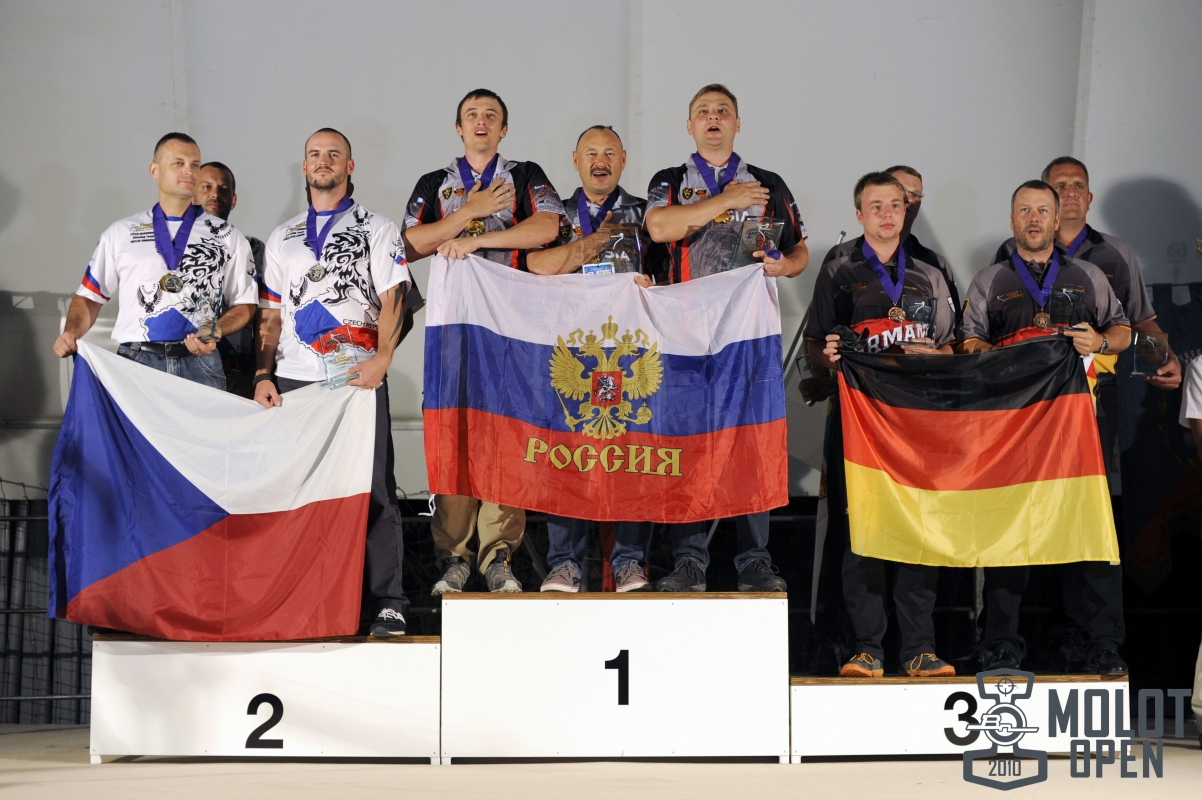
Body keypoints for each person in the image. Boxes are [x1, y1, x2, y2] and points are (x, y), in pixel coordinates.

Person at [959, 180, 1131, 673]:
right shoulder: (990, 279)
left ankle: (1102, 642)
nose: (1033, 219)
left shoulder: (1088, 275)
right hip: (1013, 424)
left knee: (1090, 527)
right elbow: (968, 342)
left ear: (1057, 220)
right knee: (1008, 526)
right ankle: (1001, 641)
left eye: (1042, 211)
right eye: (1024, 211)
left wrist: (1099, 341)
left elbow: (1122, 331)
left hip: (1078, 424)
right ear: (1012, 219)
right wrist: (996, 355)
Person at [644, 83, 808, 593]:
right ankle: (688, 561)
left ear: (738, 124)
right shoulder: (671, 180)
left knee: (751, 442)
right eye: (703, 112)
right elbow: (659, 228)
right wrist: (727, 201)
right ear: (689, 126)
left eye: (723, 111)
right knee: (688, 443)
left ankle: (754, 560)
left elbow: (798, 251)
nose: (713, 118)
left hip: (747, 335)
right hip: (685, 335)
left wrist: (784, 266)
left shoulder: (768, 182)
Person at [253, 128, 415, 637]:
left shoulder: (378, 228)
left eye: (333, 155)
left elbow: (394, 298)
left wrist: (383, 358)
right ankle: (309, 600)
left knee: (374, 490)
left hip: (356, 378)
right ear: (304, 167)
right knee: (301, 492)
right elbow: (270, 315)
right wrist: (262, 373)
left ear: (350, 166)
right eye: (314, 155)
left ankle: (388, 602)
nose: (323, 161)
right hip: (295, 382)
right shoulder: (282, 237)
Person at [403, 88, 564, 595]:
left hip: (512, 327)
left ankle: (498, 556)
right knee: (452, 433)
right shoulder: (435, 183)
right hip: (453, 329)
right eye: (471, 114)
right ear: (458, 128)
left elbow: (547, 227)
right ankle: (454, 558)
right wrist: (466, 212)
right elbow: (409, 245)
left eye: (491, 115)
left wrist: (475, 238)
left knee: (506, 435)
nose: (481, 121)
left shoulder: (524, 174)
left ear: (503, 129)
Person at [805, 172, 958, 677]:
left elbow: (953, 348)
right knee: (862, 531)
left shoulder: (930, 273)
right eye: (876, 206)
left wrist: (935, 355)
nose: (887, 214)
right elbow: (815, 344)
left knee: (917, 528)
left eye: (895, 204)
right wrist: (828, 359)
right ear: (859, 214)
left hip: (916, 421)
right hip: (860, 422)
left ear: (906, 210)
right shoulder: (838, 268)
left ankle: (919, 649)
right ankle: (866, 648)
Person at [527, 124, 663, 593]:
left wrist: (654, 287)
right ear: (575, 160)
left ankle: (628, 562)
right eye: (590, 152)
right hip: (569, 351)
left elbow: (668, 277)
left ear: (623, 159)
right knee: (564, 453)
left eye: (609, 152)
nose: (600, 161)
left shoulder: (646, 215)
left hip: (628, 355)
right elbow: (534, 267)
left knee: (631, 454)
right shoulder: (554, 217)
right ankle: (564, 563)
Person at [53, 133, 256, 389]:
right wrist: (71, 332)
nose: (189, 171)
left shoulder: (228, 235)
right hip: (136, 360)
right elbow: (89, 297)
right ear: (154, 170)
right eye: (178, 163)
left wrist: (215, 330)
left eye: (195, 164)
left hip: (200, 361)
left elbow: (246, 304)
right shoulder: (121, 232)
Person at [194, 161, 266, 398]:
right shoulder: (173, 250)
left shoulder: (254, 249)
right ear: (192, 195)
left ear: (233, 201)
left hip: (239, 374)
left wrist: (260, 372)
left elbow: (266, 316)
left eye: (224, 189)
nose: (215, 194)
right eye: (206, 187)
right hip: (188, 368)